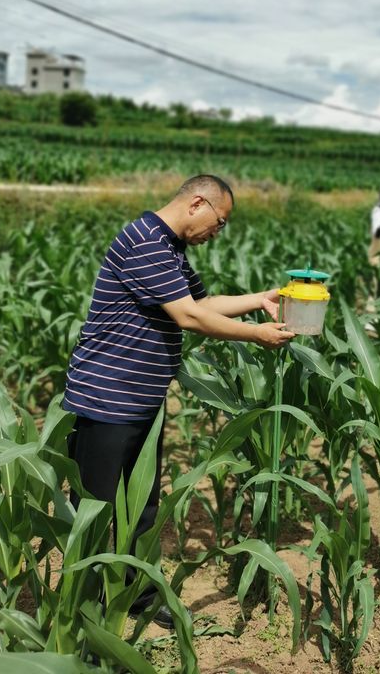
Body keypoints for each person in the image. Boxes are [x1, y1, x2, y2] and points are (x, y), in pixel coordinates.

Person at [62, 173, 294, 627]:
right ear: (197, 203)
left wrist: (260, 300)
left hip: (142, 400)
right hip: (107, 401)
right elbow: (189, 317)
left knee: (142, 508)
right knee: (92, 513)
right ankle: (79, 619)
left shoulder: (170, 250)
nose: (218, 232)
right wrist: (257, 335)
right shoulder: (145, 239)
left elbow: (203, 304)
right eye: (219, 221)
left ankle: (142, 596)